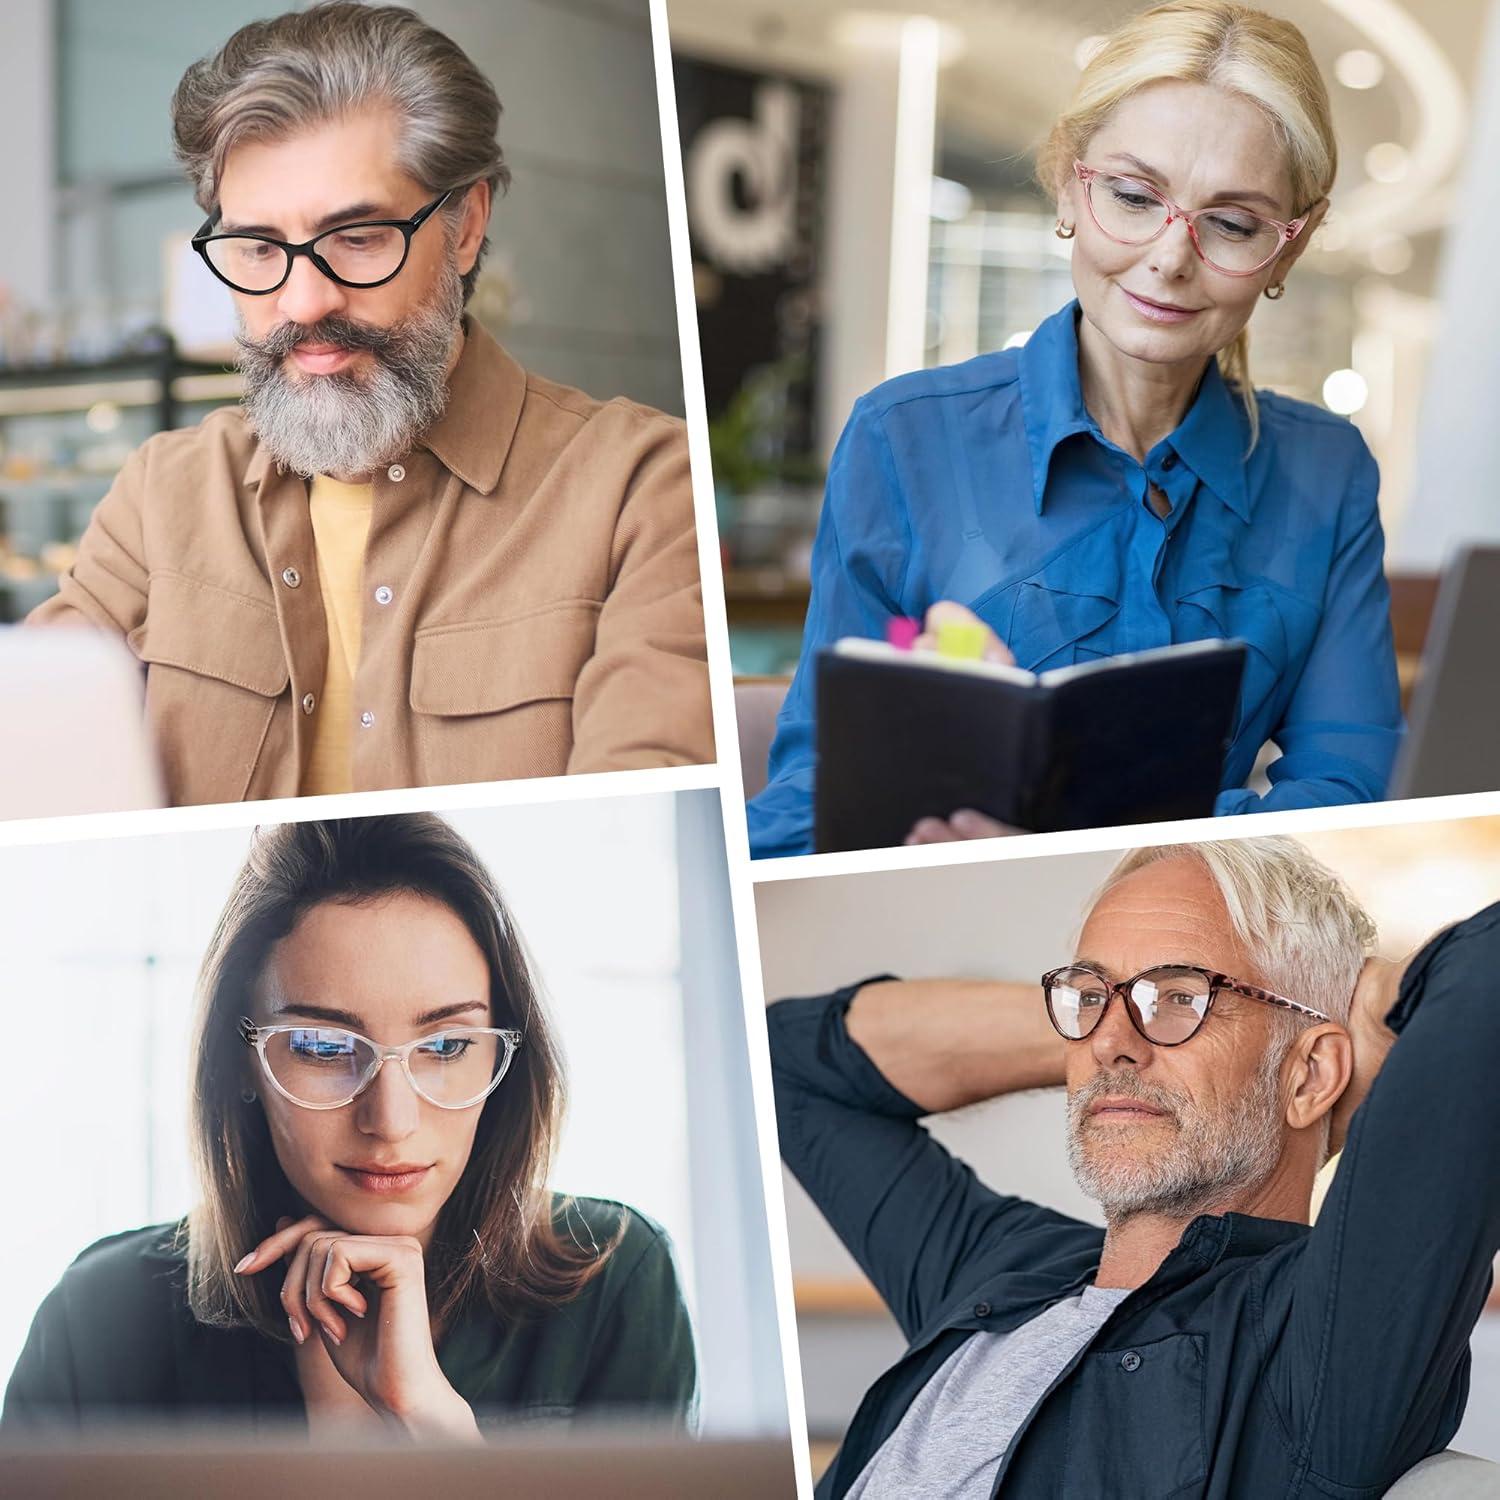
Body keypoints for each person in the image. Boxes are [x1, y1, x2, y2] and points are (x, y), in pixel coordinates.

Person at [748, 0, 1401, 858]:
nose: (1170, 257)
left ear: (1291, 244)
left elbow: (1349, 794)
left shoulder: (1327, 470)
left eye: (1233, 224)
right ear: (1068, 181)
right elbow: (815, 798)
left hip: (1191, 907)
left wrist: (1074, 819)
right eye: (1133, 197)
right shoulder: (903, 439)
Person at [27, 3, 712, 806]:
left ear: (465, 226)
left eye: (357, 239)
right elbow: (31, 750)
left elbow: (640, 821)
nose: (302, 301)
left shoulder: (643, 488)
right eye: (258, 248)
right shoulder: (161, 493)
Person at [769, 837, 1500, 1497]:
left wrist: (1371, 1007)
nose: (1108, 1041)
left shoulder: (1318, 1339)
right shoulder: (1004, 1267)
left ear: (1309, 1076)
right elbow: (787, 1064)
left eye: (1182, 996)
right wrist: (1106, 1027)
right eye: (1087, 996)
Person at [3, 814, 696, 1435]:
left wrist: (433, 1426)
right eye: (323, 1047)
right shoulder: (98, 1318)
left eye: (446, 1046)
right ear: (240, 1063)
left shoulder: (615, 1278)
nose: (390, 1122)